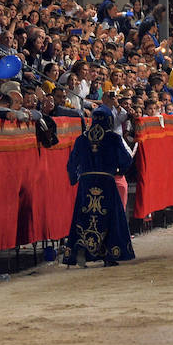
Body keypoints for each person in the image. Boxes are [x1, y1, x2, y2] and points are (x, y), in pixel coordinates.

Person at [62, 105, 135, 267]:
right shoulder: (113, 138)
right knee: (111, 217)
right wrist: (119, 170)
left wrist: (74, 178)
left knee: (84, 216)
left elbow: (71, 163)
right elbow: (126, 159)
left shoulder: (82, 138)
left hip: (86, 183)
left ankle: (81, 248)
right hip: (106, 182)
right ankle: (110, 254)